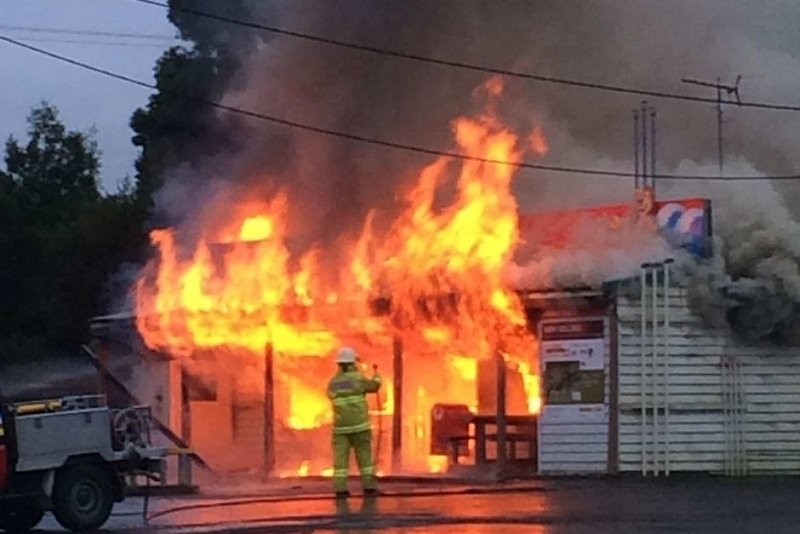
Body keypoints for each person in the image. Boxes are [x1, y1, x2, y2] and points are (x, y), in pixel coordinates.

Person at [327, 346, 381, 498]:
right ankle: (369, 487)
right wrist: (376, 375)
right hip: (360, 426)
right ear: (352, 363)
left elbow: (330, 395)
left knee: (340, 461)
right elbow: (374, 386)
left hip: (340, 428)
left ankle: (340, 489)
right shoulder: (358, 378)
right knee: (365, 458)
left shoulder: (333, 382)